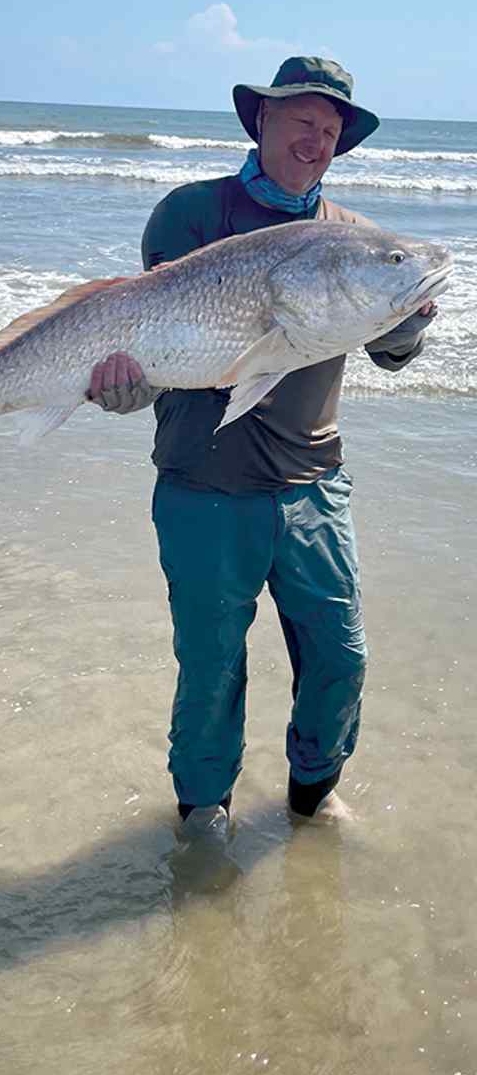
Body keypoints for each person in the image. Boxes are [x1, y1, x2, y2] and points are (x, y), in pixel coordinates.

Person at [88, 57, 437, 836]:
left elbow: (387, 351)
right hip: (204, 486)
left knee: (341, 655)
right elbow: (152, 355)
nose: (317, 140)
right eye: (303, 122)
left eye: (331, 130)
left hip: (314, 482)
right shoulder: (190, 215)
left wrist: (406, 323)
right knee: (212, 669)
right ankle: (202, 808)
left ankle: (313, 792)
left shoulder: (355, 241)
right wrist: (124, 388)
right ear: (262, 122)